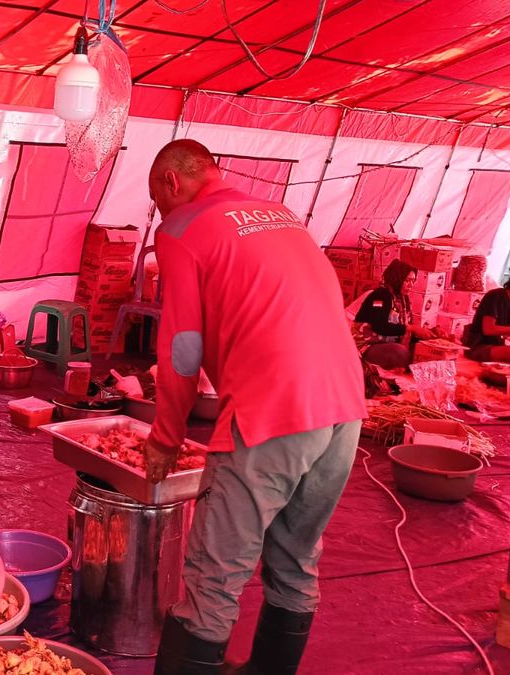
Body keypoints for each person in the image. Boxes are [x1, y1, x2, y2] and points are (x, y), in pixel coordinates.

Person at [144, 140, 367, 675]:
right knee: (294, 560)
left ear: (173, 182)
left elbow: (182, 350)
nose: (159, 211)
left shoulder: (179, 229)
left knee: (212, 578)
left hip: (273, 407)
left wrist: (165, 438)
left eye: (156, 198)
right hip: (345, 404)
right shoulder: (281, 214)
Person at [353, 259, 434, 369]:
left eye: (413, 281)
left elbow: (403, 330)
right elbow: (380, 326)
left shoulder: (403, 298)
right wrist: (411, 328)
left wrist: (431, 335)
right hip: (366, 346)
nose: (411, 285)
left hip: (387, 343)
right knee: (400, 353)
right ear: (397, 279)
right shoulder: (381, 295)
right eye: (407, 280)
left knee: (427, 349)